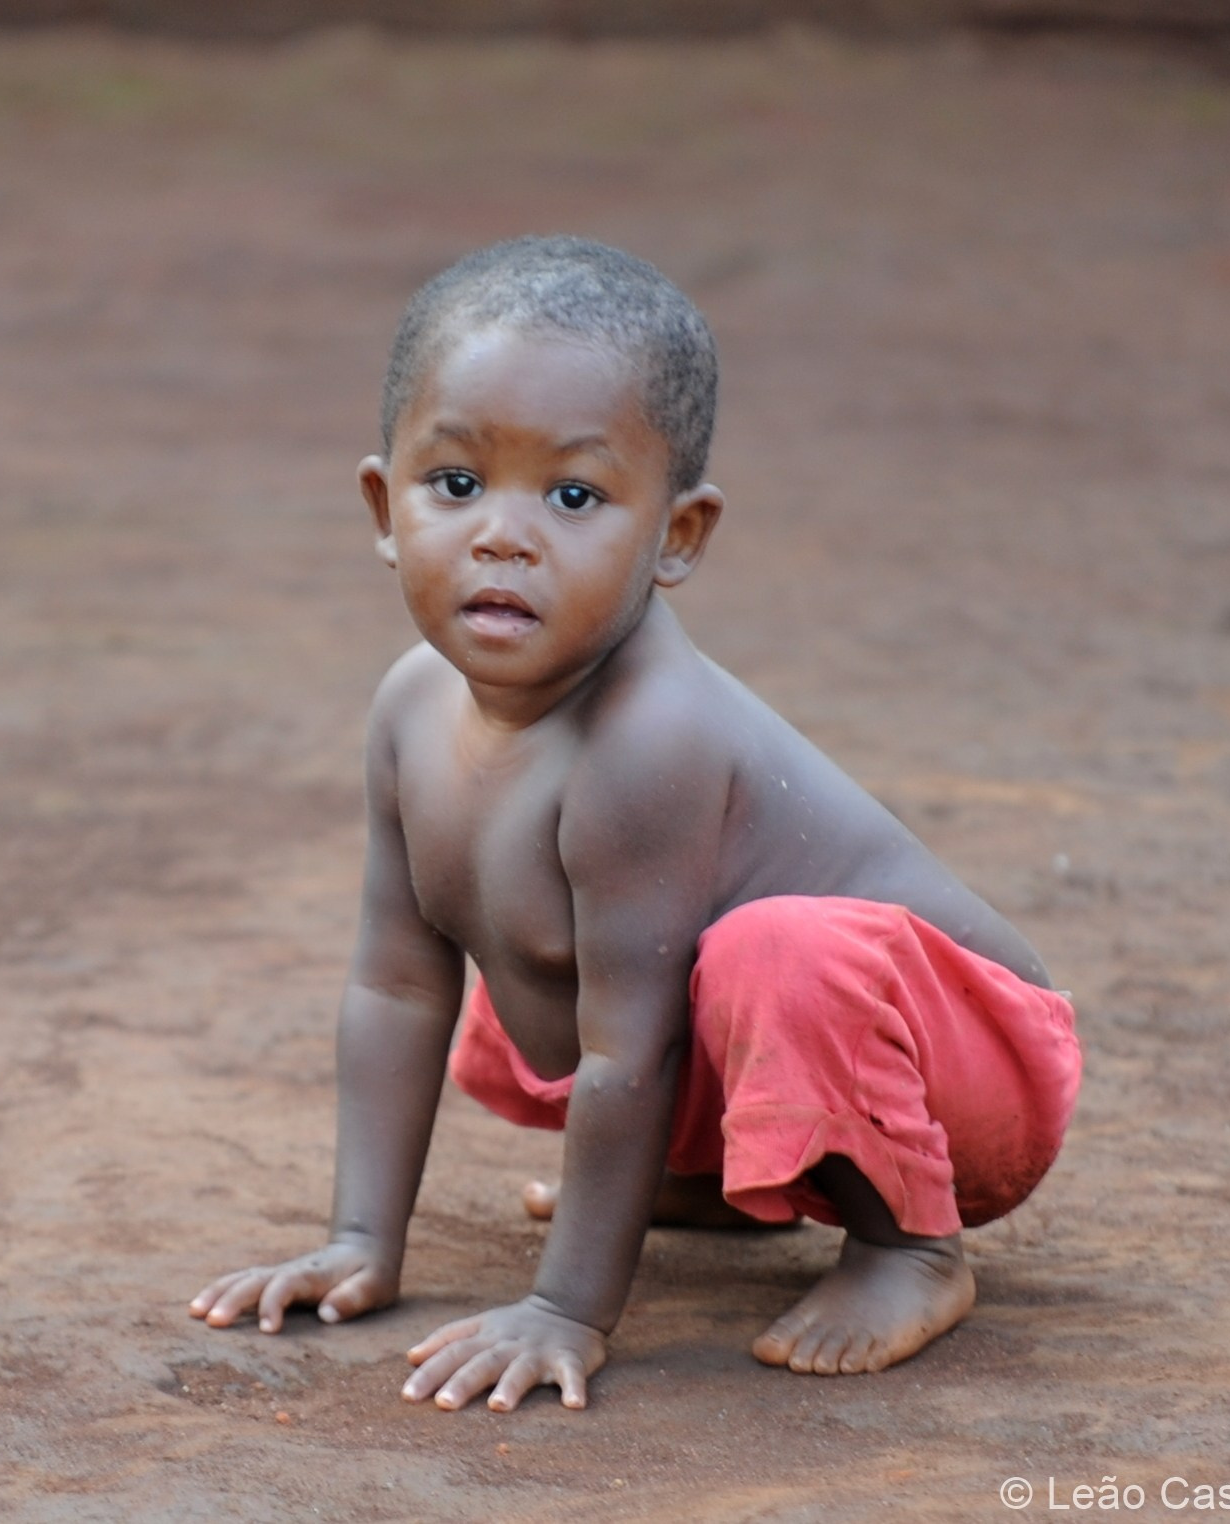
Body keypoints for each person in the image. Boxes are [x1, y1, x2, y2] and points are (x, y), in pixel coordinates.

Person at [186, 236, 1082, 1413]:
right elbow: (398, 985)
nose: (504, 535)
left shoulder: (646, 740)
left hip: (969, 1083)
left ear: (677, 536)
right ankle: (718, 1175)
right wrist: (361, 1237)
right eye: (455, 484)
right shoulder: (409, 705)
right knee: (543, 961)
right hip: (695, 1019)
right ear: (382, 506)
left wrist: (565, 1308)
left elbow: (630, 1052)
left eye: (573, 495)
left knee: (759, 956)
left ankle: (907, 1246)